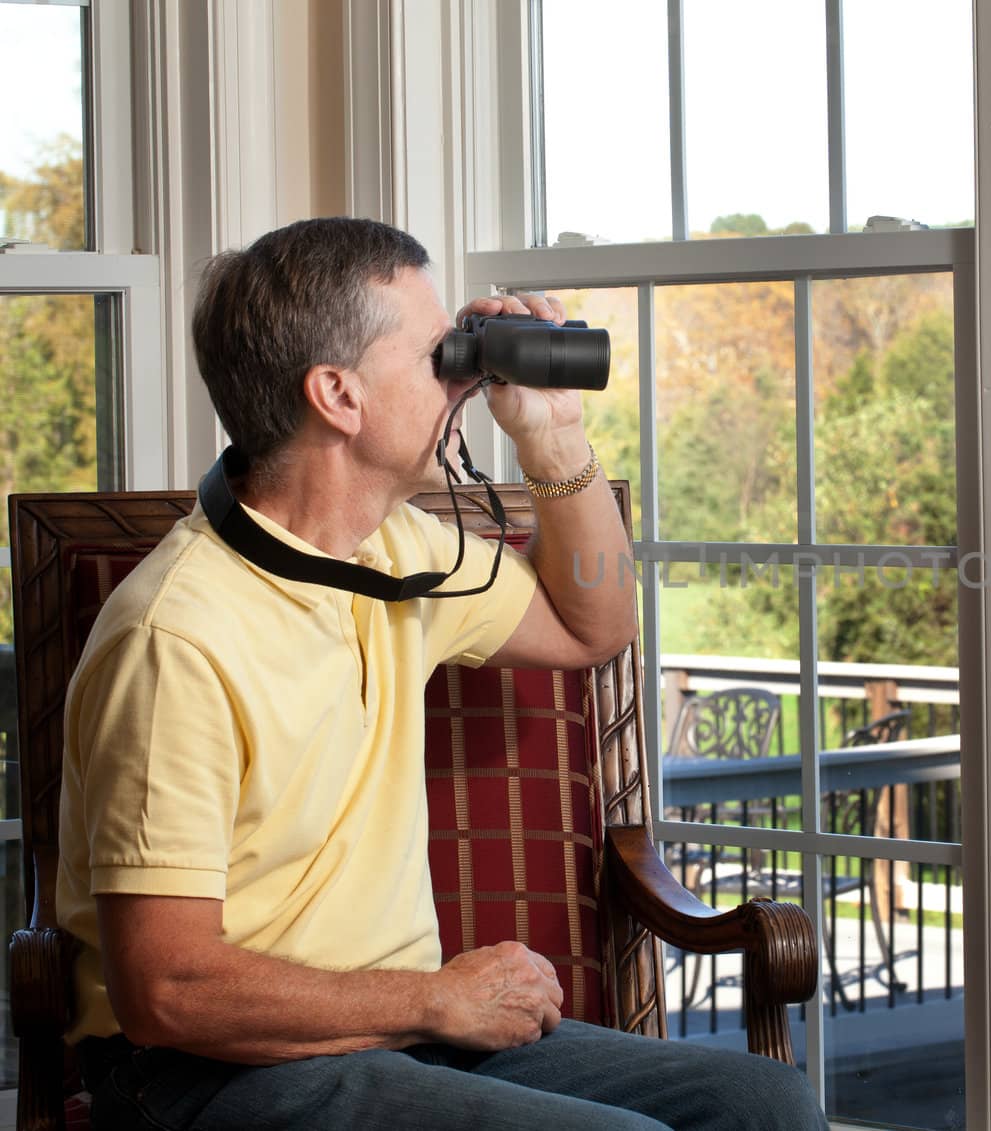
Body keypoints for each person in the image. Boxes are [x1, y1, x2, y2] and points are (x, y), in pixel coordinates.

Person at [55, 217, 826, 1131]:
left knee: (762, 1101)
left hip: (397, 1027)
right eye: (437, 353)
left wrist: (554, 436)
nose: (465, 373)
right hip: (206, 1069)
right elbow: (166, 988)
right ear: (337, 394)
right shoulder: (175, 637)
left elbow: (596, 625)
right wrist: (431, 1000)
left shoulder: (391, 547)